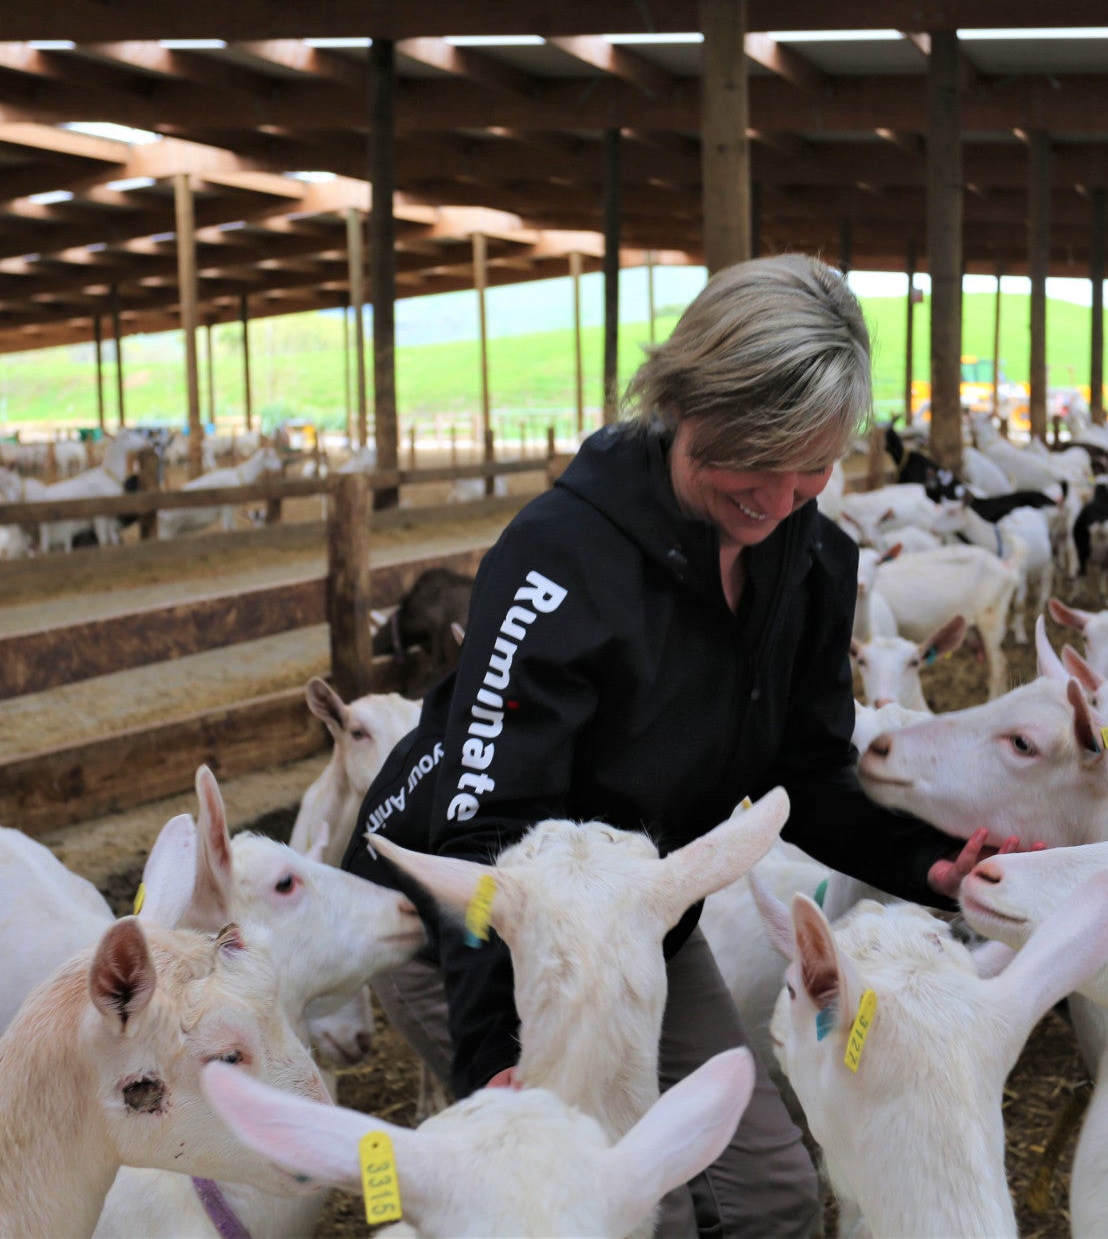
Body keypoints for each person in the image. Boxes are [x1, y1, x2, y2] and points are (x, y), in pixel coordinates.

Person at [341, 254, 1006, 1237]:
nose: (780, 501)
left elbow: (810, 770)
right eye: (757, 458)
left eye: (813, 468)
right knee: (599, 1200)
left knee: (772, 1193)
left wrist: (928, 861)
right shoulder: (559, 557)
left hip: (640, 909)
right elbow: (488, 827)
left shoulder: (813, 562)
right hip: (470, 916)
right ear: (686, 400)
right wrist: (497, 1072)